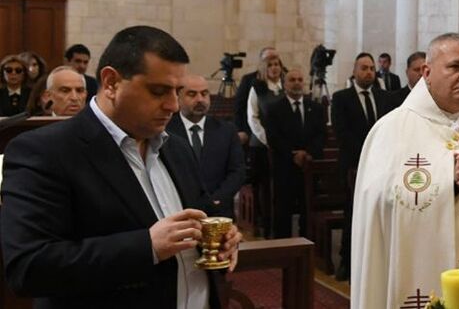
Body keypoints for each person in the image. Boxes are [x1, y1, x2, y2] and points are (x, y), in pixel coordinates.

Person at [0, 25, 241, 308]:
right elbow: (29, 268)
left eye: (177, 91)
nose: (174, 105)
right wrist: (147, 246)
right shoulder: (44, 151)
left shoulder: (176, 147)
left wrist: (224, 237)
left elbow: (202, 213)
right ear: (111, 82)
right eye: (159, 91)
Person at [351, 33, 459, 308]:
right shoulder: (392, 128)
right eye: (455, 66)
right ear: (427, 72)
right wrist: (450, 180)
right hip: (425, 267)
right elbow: (377, 203)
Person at [330, 52, 394, 280]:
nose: (368, 72)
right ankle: (346, 262)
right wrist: (368, 155)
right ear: (354, 71)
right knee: (352, 214)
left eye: (371, 68)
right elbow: (342, 133)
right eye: (364, 68)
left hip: (382, 167)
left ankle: (377, 264)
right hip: (354, 165)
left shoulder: (385, 98)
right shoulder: (341, 98)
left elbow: (390, 130)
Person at [166, 74, 245, 218]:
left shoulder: (226, 130)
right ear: (178, 98)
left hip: (218, 212)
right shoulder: (165, 131)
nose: (200, 99)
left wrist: (216, 200)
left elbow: (237, 171)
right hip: (178, 212)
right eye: (192, 94)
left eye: (204, 94)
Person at [262, 68, 326, 238]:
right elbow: (273, 137)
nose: (297, 83)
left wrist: (308, 153)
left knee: (307, 210)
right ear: (284, 84)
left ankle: (307, 244)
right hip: (284, 167)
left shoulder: (316, 108)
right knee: (283, 212)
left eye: (299, 79)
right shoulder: (274, 109)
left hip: (309, 167)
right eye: (292, 80)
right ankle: (283, 248)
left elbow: (321, 135)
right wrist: (293, 154)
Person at [237, 48, 284, 237]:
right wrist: (267, 139)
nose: (274, 68)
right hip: (261, 144)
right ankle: (264, 222)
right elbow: (252, 116)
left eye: (277, 64)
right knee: (263, 186)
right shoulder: (257, 86)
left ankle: (278, 223)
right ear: (264, 68)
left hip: (281, 145)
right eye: (270, 65)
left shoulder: (285, 85)